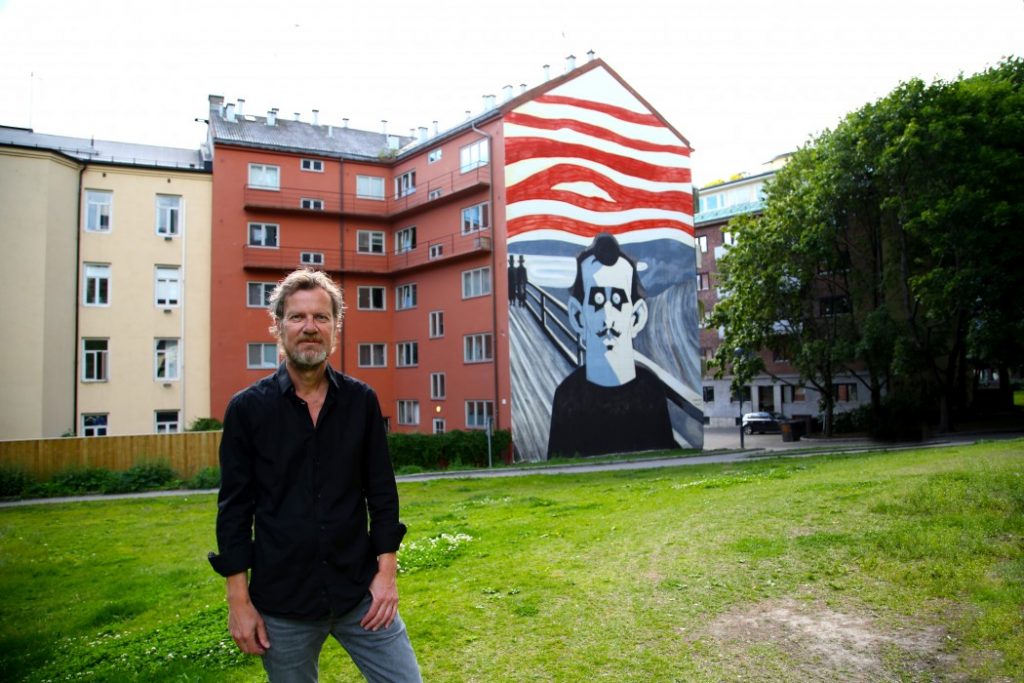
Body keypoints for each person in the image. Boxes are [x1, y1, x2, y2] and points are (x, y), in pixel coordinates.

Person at [208, 268, 421, 683]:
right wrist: (239, 599)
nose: (310, 328)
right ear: (278, 326)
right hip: (282, 604)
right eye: (297, 317)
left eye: (321, 318)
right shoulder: (247, 410)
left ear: (335, 328)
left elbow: (382, 494)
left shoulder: (361, 402)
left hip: (359, 594)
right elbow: (234, 510)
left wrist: (386, 575)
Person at [547, 233, 676, 458]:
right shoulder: (567, 397)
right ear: (578, 316)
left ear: (636, 317)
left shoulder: (651, 392)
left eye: (617, 301)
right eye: (597, 301)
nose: (608, 317)